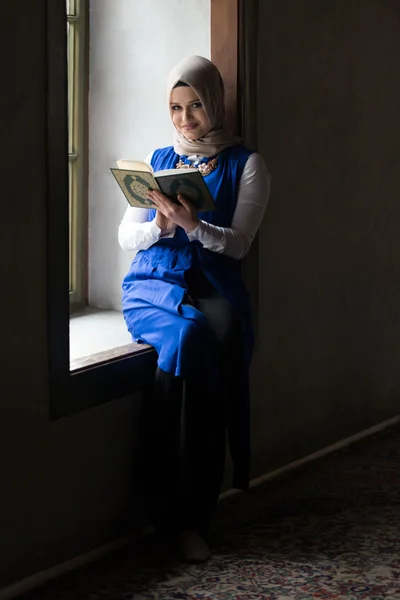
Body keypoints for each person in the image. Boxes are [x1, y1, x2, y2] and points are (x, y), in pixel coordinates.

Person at [118, 55, 270, 563]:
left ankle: (186, 513)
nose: (185, 120)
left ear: (216, 104)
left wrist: (193, 226)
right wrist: (161, 227)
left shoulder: (246, 164)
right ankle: (172, 511)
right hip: (152, 285)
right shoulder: (157, 160)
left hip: (211, 284)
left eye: (196, 106)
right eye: (176, 108)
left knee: (207, 338)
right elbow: (126, 237)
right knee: (189, 340)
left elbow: (240, 243)